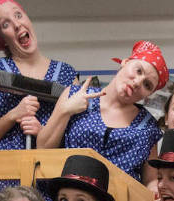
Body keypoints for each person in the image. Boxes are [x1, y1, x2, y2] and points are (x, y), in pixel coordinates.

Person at [0, 0, 78, 201]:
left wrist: (45, 132)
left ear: (28, 19)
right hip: (2, 177)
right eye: (5, 24)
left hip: (48, 176)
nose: (16, 24)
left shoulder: (67, 73)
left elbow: (76, 137)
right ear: (1, 39)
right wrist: (14, 114)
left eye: (18, 15)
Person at [37, 40, 166, 183]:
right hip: (70, 192)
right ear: (125, 62)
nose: (137, 82)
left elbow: (150, 182)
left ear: (148, 94)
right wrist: (65, 110)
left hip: (120, 197)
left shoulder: (148, 127)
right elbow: (42, 149)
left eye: (147, 85)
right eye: (138, 71)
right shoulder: (76, 94)